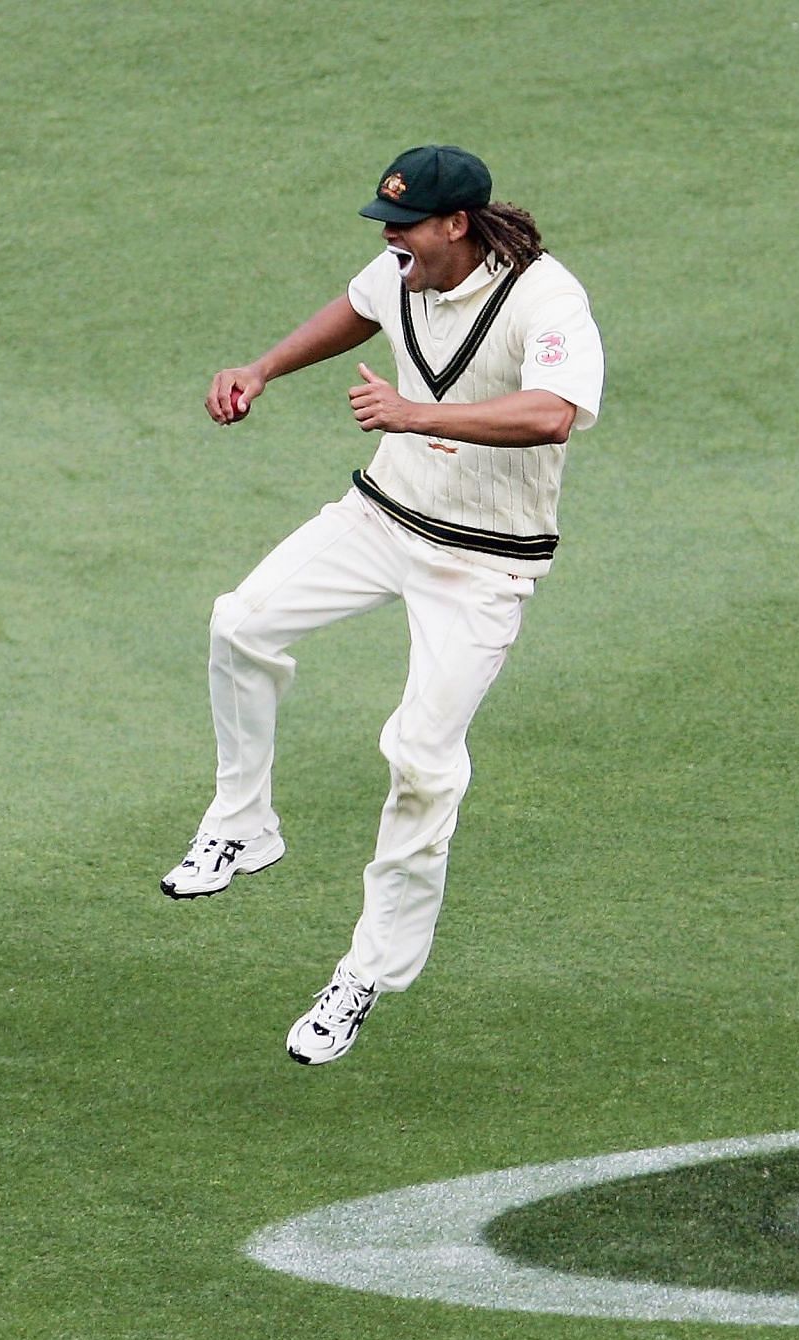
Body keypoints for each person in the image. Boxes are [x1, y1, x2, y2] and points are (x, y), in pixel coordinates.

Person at [159, 146, 604, 1065]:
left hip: (483, 561)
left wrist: (415, 416)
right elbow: (360, 308)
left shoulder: (547, 298)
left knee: (421, 762)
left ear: (457, 225)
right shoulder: (407, 266)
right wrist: (265, 367)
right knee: (241, 623)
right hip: (382, 515)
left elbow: (553, 413)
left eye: (404, 224)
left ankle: (366, 973)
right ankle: (243, 827)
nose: (389, 236)